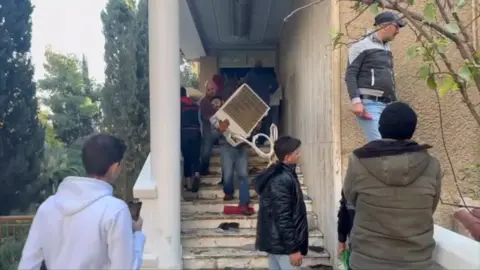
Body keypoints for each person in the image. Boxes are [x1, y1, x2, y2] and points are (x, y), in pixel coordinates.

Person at [18, 134, 145, 269]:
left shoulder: (48, 206)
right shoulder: (116, 210)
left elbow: (27, 264)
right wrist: (137, 235)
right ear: (114, 168)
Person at [342, 102, 442, 270]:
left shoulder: (358, 160)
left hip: (367, 262)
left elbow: (350, 199)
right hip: (417, 262)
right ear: (412, 129)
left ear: (380, 128)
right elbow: (430, 207)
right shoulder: (432, 165)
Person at [345, 11, 404, 142]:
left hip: (388, 104)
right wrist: (356, 102)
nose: (398, 31)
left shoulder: (387, 47)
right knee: (380, 147)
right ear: (386, 26)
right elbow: (350, 74)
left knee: (392, 145)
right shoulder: (360, 45)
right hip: (370, 104)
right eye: (397, 27)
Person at [254, 136, 308, 270]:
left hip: (278, 244)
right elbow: (283, 217)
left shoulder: (283, 174)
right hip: (283, 247)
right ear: (288, 157)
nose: (299, 154)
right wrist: (293, 249)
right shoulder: (281, 179)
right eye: (297, 152)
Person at [210, 115, 254, 216]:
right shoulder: (219, 114)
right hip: (226, 146)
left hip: (241, 146)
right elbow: (212, 135)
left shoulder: (245, 113)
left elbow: (251, 131)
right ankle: (228, 192)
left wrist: (253, 128)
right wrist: (221, 128)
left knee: (243, 174)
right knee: (228, 173)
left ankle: (244, 202)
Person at [181, 86, 202, 192]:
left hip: (185, 133)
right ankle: (197, 174)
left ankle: (188, 184)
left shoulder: (178, 105)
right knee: (196, 156)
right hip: (196, 133)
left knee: (187, 159)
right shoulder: (195, 105)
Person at [199, 80, 219, 175]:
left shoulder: (220, 99)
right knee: (206, 151)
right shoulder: (204, 101)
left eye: (212, 89)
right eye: (208, 89)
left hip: (220, 129)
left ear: (216, 89)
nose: (211, 91)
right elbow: (204, 116)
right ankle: (203, 169)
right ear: (206, 91)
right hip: (209, 129)